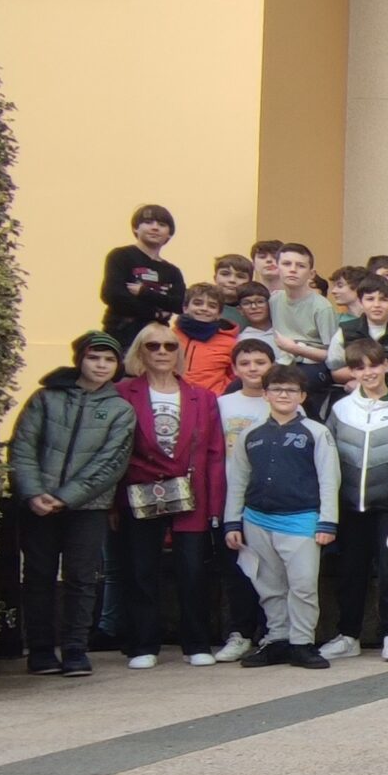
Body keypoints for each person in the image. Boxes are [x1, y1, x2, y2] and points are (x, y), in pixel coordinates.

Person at [108, 326, 222, 670]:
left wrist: (215, 504)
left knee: (193, 571)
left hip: (191, 494)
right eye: (153, 345)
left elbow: (215, 453)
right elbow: (113, 450)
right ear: (140, 351)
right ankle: (144, 643)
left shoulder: (202, 397)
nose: (161, 351)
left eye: (170, 346)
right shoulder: (122, 392)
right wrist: (113, 502)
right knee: (140, 569)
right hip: (140, 490)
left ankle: (196, 642)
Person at [320, 338, 388, 663]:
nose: (368, 373)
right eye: (359, 367)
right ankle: (348, 635)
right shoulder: (341, 409)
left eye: (373, 365)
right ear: (352, 372)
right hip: (351, 506)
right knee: (350, 571)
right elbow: (327, 454)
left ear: (385, 365)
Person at [224, 364, 338, 669]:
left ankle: (302, 643)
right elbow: (238, 480)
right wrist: (232, 521)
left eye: (291, 390)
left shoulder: (316, 432)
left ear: (302, 396)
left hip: (302, 519)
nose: (283, 395)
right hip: (257, 519)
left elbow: (329, 480)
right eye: (276, 389)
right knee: (269, 586)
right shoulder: (250, 434)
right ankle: (277, 640)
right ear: (265, 394)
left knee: (303, 584)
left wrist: (328, 521)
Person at [210, 340, 277, 663]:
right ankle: (239, 632)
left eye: (260, 362)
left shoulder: (282, 402)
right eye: (246, 363)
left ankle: (270, 632)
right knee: (236, 569)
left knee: (271, 571)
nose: (253, 368)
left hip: (272, 501)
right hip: (232, 499)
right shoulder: (222, 404)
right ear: (234, 368)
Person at [99, 204, 186, 340]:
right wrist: (155, 313)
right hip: (121, 334)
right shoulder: (121, 256)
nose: (155, 227)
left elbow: (179, 304)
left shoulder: (173, 271)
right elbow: (113, 295)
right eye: (148, 222)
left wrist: (144, 293)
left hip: (156, 340)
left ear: (169, 233)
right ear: (135, 228)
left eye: (162, 224)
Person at [266, 243, 336, 372]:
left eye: (301, 266)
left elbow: (333, 354)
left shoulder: (322, 307)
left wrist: (295, 349)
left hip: (312, 365)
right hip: (281, 362)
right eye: (287, 264)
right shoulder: (273, 300)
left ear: (311, 274)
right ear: (277, 268)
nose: (293, 270)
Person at [172, 284, 240, 395]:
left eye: (212, 306)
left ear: (219, 314)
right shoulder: (170, 337)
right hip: (172, 399)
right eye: (197, 303)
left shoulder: (230, 344)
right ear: (185, 308)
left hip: (211, 401)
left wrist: (220, 394)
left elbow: (236, 376)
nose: (204, 309)